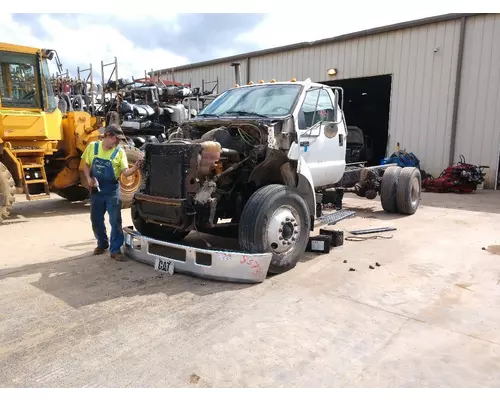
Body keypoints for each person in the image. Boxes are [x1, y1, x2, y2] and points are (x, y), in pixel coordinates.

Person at [81, 124, 142, 261]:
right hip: (96, 190)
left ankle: (115, 250)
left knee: (115, 220)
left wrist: (135, 169)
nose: (118, 142)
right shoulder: (93, 147)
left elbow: (125, 172)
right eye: (116, 139)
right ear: (108, 135)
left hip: (111, 190)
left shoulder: (119, 152)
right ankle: (102, 244)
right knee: (96, 219)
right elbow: (85, 165)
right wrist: (88, 178)